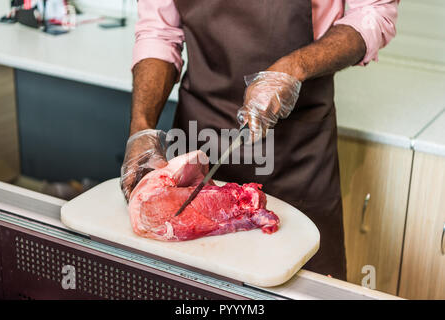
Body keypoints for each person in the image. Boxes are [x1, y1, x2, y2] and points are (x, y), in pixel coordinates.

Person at [120, 0, 399, 280]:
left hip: (297, 148)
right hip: (200, 139)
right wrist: (141, 128)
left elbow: (373, 13)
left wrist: (294, 67)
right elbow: (159, 32)